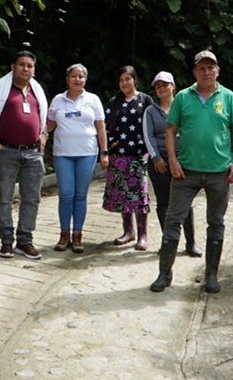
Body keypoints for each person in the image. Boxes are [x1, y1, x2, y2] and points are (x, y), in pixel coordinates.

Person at [149, 51, 233, 294]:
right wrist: (172, 159)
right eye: (201, 68)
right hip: (185, 172)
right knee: (173, 220)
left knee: (216, 222)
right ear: (194, 72)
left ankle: (211, 276)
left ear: (218, 71)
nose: (206, 72)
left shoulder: (229, 97)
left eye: (211, 67)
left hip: (219, 172)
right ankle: (164, 274)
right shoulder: (182, 97)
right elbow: (170, 130)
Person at [0, 51, 48, 261]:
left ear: (33, 70)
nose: (25, 69)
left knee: (31, 199)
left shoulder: (37, 90)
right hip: (5, 151)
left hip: (33, 152)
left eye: (29, 66)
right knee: (4, 198)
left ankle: (25, 241)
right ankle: (6, 241)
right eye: (21, 65)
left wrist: (43, 137)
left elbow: (46, 116)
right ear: (12, 66)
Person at [45, 64, 109, 253]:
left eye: (81, 76)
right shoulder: (58, 100)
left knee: (80, 196)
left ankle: (78, 236)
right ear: (67, 79)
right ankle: (64, 234)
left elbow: (100, 128)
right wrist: (39, 133)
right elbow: (48, 125)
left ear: (85, 79)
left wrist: (104, 153)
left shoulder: (92, 100)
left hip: (87, 154)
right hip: (63, 154)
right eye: (73, 76)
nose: (77, 79)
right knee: (66, 195)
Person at [142, 72, 202, 257]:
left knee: (185, 201)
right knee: (163, 202)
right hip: (160, 162)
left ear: (173, 86)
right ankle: (167, 242)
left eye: (164, 84)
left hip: (183, 160)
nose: (161, 88)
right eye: (157, 86)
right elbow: (148, 135)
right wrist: (156, 158)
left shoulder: (184, 105)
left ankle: (191, 242)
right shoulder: (150, 111)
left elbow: (192, 130)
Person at [102, 66, 154, 250]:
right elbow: (105, 127)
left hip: (139, 155)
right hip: (118, 157)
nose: (124, 83)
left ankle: (143, 235)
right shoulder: (113, 102)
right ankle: (128, 231)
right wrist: (110, 145)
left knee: (139, 195)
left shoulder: (145, 100)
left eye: (128, 79)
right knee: (123, 194)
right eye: (121, 80)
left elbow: (152, 125)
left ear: (135, 80)